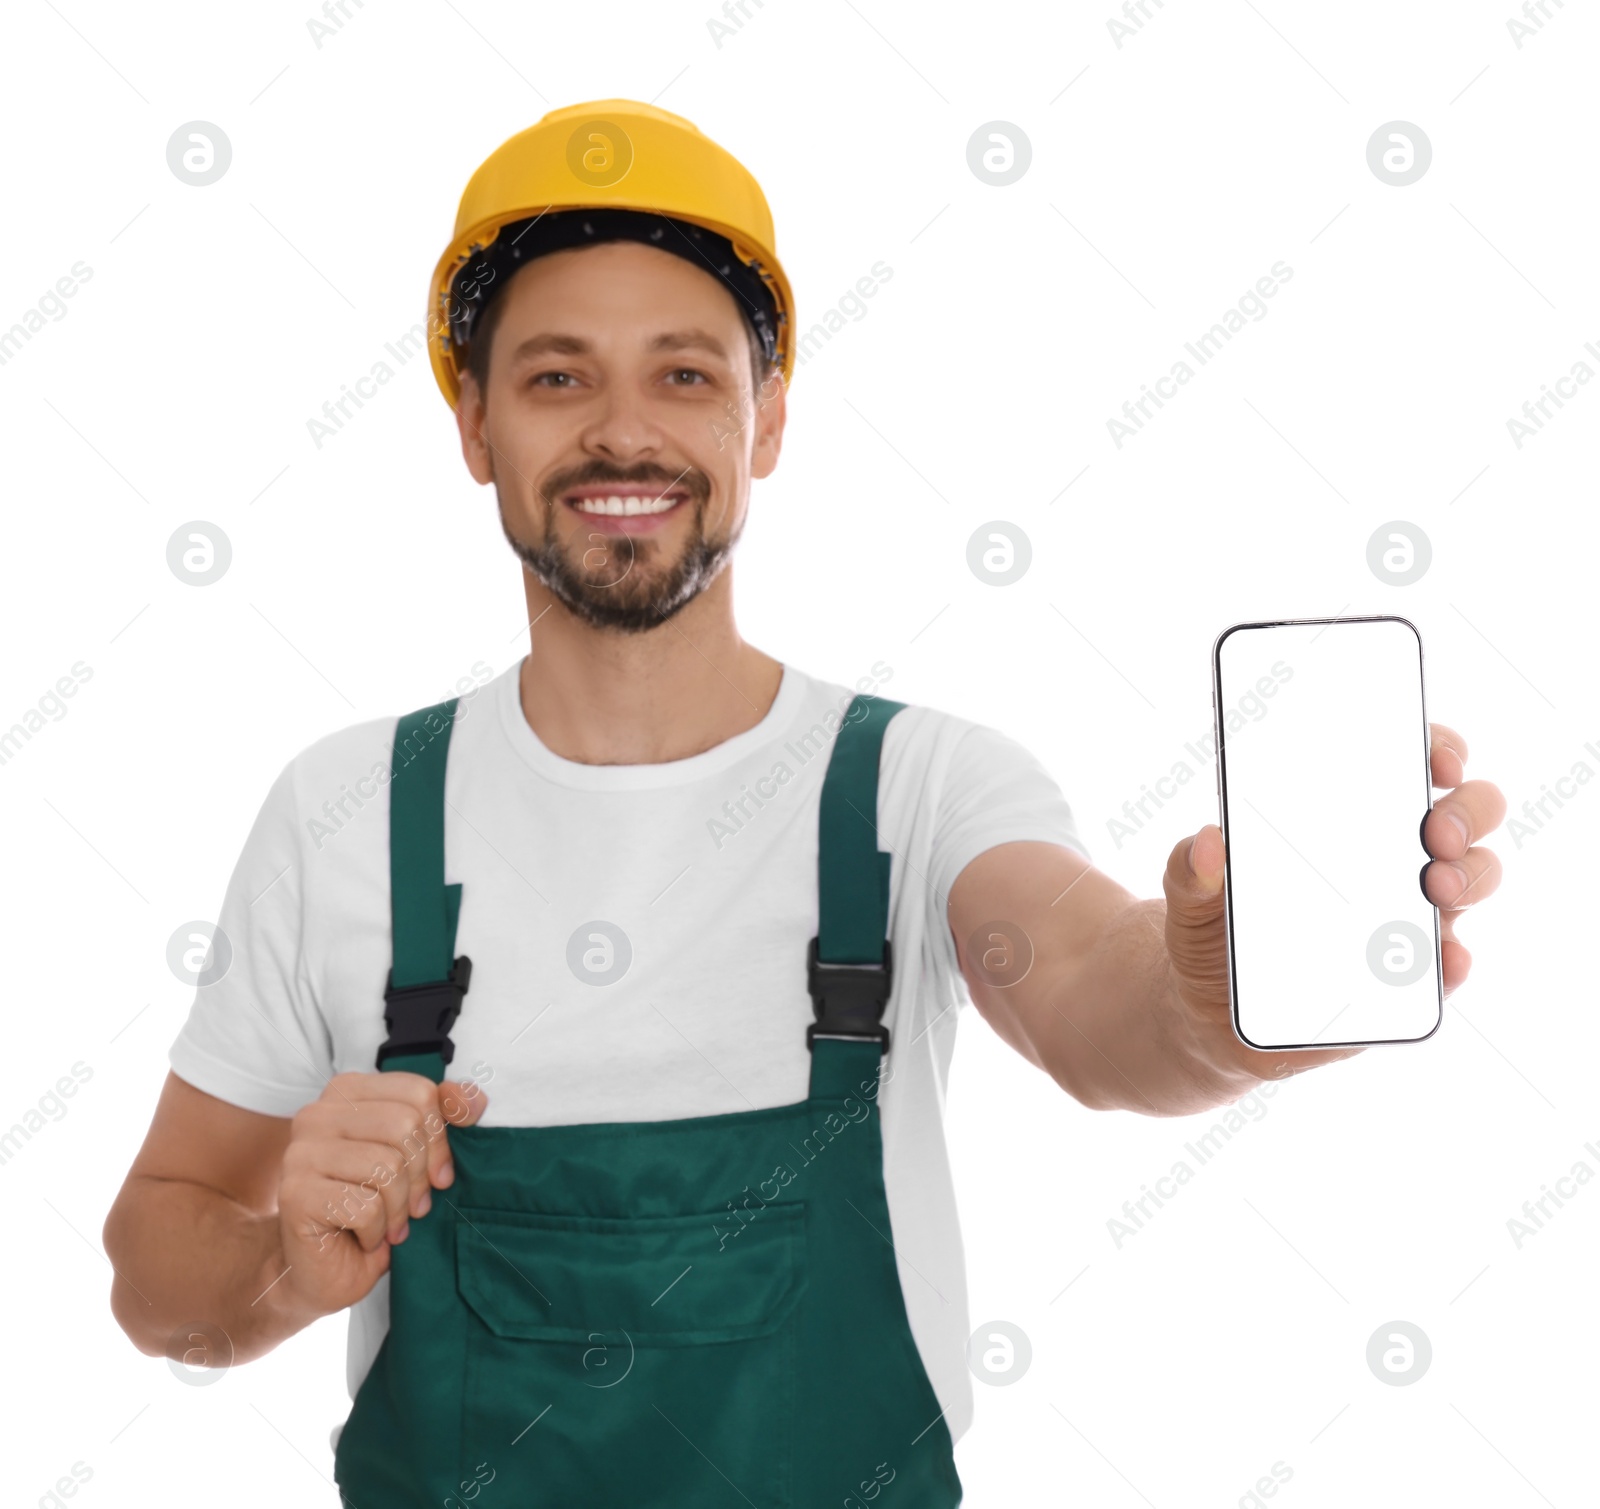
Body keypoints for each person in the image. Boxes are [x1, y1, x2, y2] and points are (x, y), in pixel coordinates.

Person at [102, 100, 1506, 1507]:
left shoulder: (919, 784)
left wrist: (1217, 988)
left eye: (688, 376)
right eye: (555, 378)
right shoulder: (347, 811)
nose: (625, 433)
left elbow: (1096, 997)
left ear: (766, 419)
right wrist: (286, 1263)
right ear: (472, 422)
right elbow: (158, 1273)